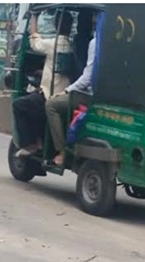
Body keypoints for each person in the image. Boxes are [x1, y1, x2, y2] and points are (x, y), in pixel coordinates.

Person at [14, 11, 75, 159]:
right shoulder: (72, 47)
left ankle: (30, 144)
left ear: (56, 25)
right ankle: (41, 141)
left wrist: (34, 17)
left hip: (50, 95)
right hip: (65, 94)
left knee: (19, 105)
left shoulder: (52, 44)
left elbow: (34, 42)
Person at [44, 16, 99, 167]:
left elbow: (87, 78)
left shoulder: (96, 42)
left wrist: (67, 91)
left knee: (51, 105)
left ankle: (62, 152)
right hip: (106, 96)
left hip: (90, 96)